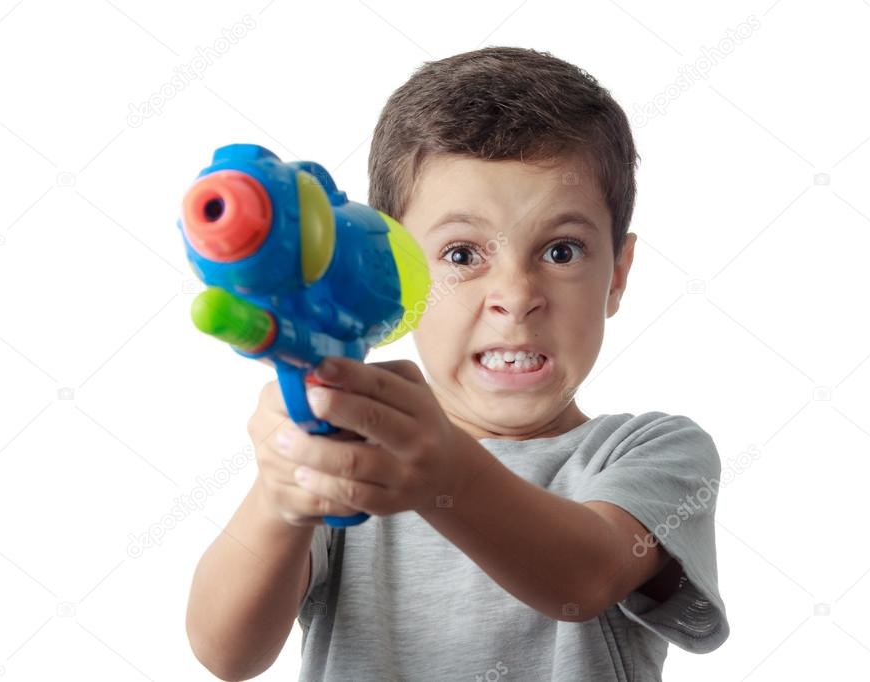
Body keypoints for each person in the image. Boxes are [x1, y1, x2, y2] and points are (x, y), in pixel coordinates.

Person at [186, 46, 729, 682]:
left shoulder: (653, 451)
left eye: (560, 250)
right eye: (463, 255)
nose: (516, 297)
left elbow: (585, 577)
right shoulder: (351, 452)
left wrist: (442, 471)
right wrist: (282, 496)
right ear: (396, 268)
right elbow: (225, 652)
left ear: (618, 275)